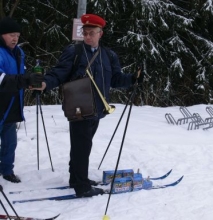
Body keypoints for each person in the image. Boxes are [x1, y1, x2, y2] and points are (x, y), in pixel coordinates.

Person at [38, 14, 144, 197]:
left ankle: (76, 177)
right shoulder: (75, 52)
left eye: (91, 33)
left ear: (100, 33)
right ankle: (82, 186)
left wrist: (133, 78)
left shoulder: (108, 55)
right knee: (82, 146)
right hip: (79, 107)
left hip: (98, 109)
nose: (87, 36)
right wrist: (45, 84)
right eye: (85, 33)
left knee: (82, 145)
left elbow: (116, 79)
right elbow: (59, 73)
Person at [0, 17, 43, 183]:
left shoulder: (19, 52)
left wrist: (32, 84)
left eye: (17, 35)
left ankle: (6, 170)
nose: (15, 38)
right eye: (11, 34)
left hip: (12, 106)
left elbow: (20, 75)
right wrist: (25, 80)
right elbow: (2, 79)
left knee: (10, 143)